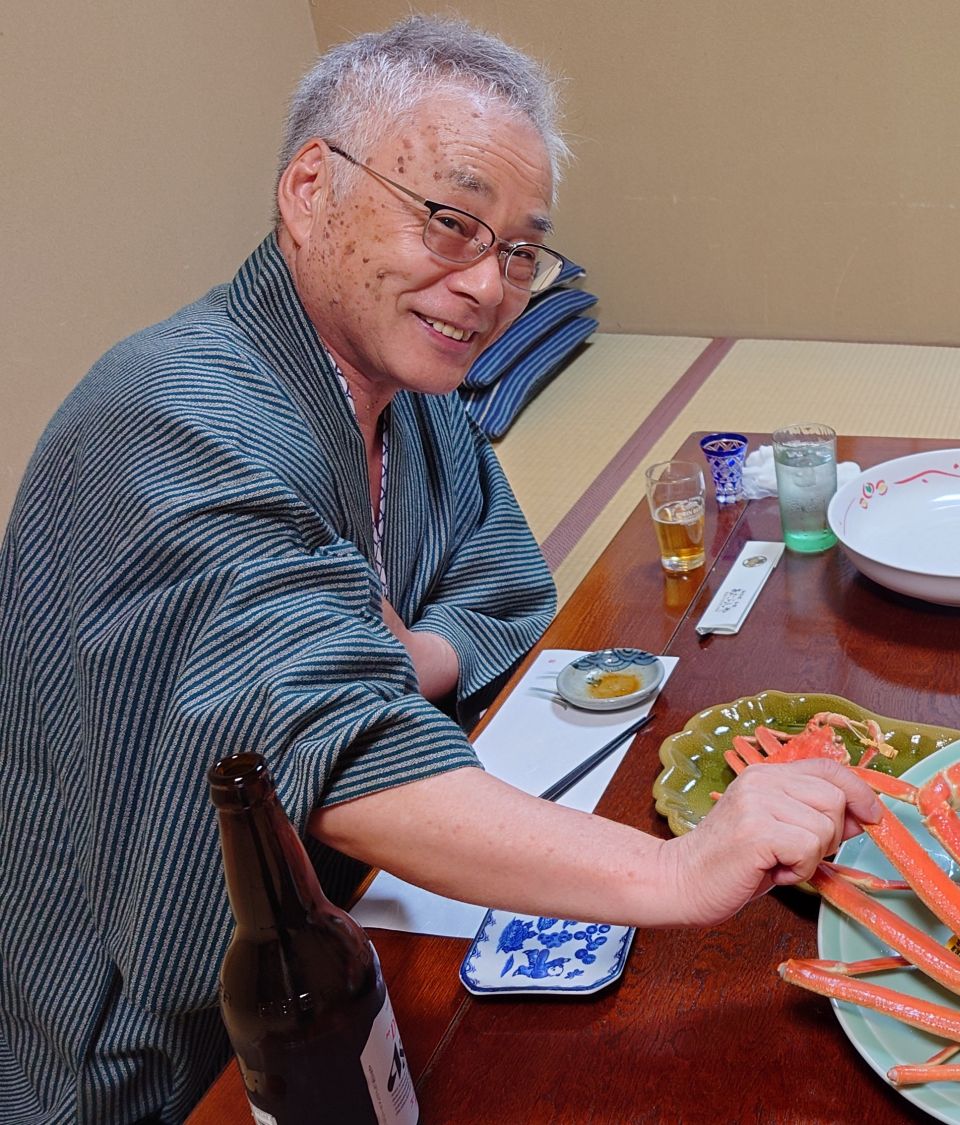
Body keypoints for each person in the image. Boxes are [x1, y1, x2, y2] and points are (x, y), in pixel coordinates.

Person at [0, 18, 879, 1124]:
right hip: (154, 1049)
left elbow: (503, 577)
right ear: (311, 188)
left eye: (518, 251)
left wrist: (406, 654)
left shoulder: (411, 402)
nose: (489, 285)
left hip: (351, 928)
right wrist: (678, 874)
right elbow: (331, 740)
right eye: (452, 222)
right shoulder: (172, 416)